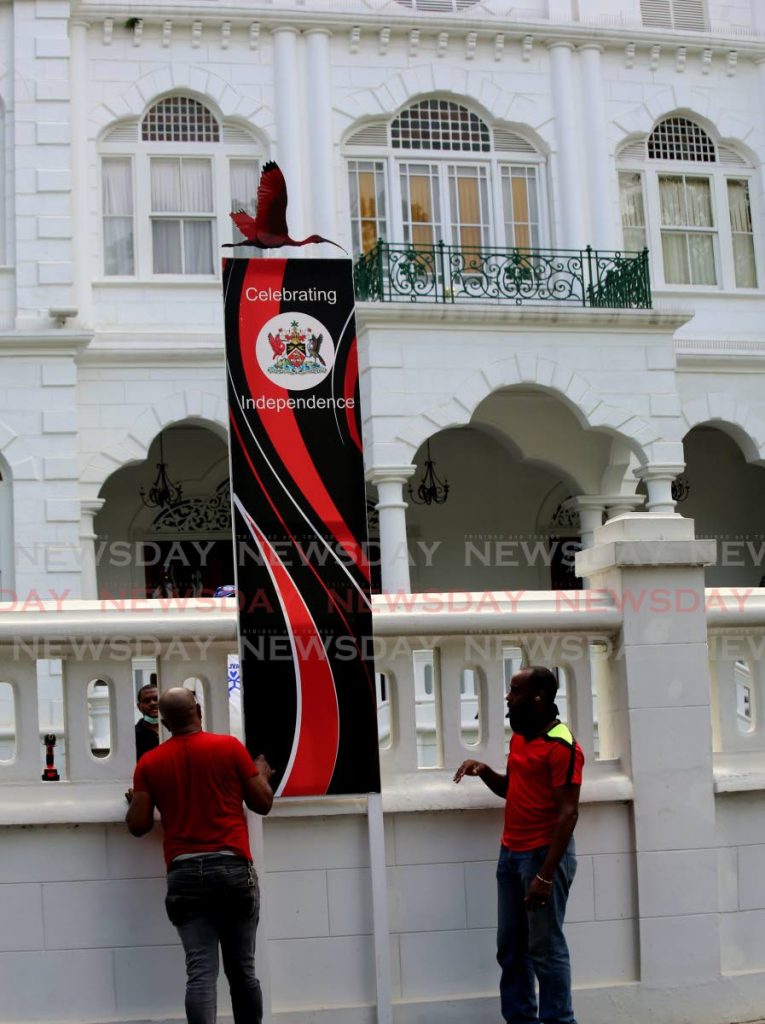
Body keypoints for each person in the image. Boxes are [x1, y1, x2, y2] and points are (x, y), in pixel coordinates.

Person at [126, 687, 274, 1024]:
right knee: (243, 972)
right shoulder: (230, 748)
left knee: (201, 974)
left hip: (185, 875)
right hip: (234, 870)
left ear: (163, 722)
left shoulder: (149, 763)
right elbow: (262, 803)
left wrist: (136, 798)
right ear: (199, 710)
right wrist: (260, 772)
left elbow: (138, 825)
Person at [454, 666, 583, 1024]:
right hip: (510, 854)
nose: (508, 698)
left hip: (544, 858)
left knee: (545, 949)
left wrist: (544, 876)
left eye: (515, 691)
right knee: (511, 949)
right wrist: (485, 772)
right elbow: (512, 788)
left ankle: (560, 1020)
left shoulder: (562, 745)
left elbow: (568, 814)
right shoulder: (521, 736)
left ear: (538, 698)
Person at [134, 680, 160, 760]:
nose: (152, 703)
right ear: (139, 706)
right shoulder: (133, 735)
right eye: (146, 700)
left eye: (156, 698)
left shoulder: (176, 729)